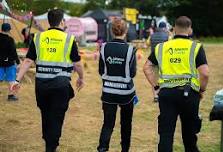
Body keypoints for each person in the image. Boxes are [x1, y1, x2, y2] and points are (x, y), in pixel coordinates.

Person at [11, 9, 84, 152]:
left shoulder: (38, 37)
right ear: (62, 21)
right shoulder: (69, 39)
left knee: (45, 114)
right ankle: (51, 146)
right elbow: (77, 63)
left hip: (41, 85)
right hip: (60, 85)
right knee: (57, 116)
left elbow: (27, 61)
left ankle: (48, 142)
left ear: (49, 21)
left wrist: (17, 80)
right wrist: (81, 78)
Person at [143, 16, 209, 152]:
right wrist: (201, 90)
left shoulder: (162, 47)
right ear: (190, 29)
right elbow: (205, 73)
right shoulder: (195, 47)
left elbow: (146, 67)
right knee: (189, 135)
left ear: (173, 29)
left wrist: (156, 86)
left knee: (166, 135)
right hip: (189, 94)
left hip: (166, 94)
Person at [97, 18, 137, 152]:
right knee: (126, 124)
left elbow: (100, 71)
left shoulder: (103, 47)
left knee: (108, 123)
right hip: (126, 93)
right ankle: (125, 149)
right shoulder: (131, 49)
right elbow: (132, 73)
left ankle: (102, 148)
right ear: (125, 31)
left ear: (111, 30)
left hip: (108, 91)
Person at [0, 23, 20, 101]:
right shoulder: (10, 40)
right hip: (9, 63)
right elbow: (13, 52)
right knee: (11, 79)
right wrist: (18, 62)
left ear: (1, 29)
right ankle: (10, 96)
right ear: (9, 30)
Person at [150, 21, 169, 102]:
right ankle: (163, 95)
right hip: (164, 59)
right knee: (165, 78)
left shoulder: (152, 35)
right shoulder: (167, 36)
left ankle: (155, 96)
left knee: (155, 78)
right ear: (164, 27)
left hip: (154, 59)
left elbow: (147, 44)